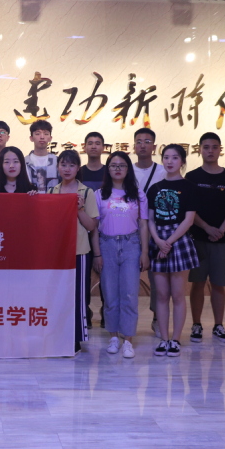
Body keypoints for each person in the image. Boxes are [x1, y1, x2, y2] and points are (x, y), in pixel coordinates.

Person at [90, 151, 149, 359]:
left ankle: (128, 340)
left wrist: (145, 252)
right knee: (110, 295)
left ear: (128, 169)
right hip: (106, 245)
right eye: (113, 165)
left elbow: (143, 224)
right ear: (108, 169)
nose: (117, 168)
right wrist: (97, 254)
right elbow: (94, 227)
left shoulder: (138, 194)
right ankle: (113, 337)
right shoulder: (99, 194)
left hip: (131, 245)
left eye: (122, 165)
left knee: (130, 295)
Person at [186, 132, 225, 344]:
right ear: (200, 149)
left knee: (218, 284)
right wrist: (206, 227)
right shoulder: (192, 177)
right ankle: (197, 325)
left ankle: (219, 325)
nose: (210, 151)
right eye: (206, 147)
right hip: (198, 238)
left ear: (220, 150)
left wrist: (220, 229)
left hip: (222, 240)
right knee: (198, 283)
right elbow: (189, 209)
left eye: (214, 147)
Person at [147, 144, 199, 358]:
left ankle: (176, 339)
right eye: (166, 157)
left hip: (179, 240)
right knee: (161, 295)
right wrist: (158, 241)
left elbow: (189, 219)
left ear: (182, 161)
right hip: (158, 240)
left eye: (175, 157)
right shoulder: (155, 188)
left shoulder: (189, 187)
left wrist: (168, 242)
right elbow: (150, 219)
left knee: (178, 295)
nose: (169, 161)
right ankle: (164, 339)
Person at [50, 150, 98, 354]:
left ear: (78, 168)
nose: (67, 169)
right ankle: (58, 335)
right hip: (58, 253)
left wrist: (79, 209)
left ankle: (76, 337)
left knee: (78, 297)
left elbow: (92, 226)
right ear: (58, 167)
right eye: (63, 164)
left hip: (80, 251)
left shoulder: (86, 192)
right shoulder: (52, 192)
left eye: (71, 165)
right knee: (58, 295)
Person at [132, 127, 167, 339]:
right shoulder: (127, 170)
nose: (142, 145)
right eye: (139, 141)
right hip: (130, 231)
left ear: (154, 146)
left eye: (147, 141)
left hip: (155, 231)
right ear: (134, 146)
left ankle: (157, 319)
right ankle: (127, 322)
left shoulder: (163, 171)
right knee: (129, 279)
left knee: (157, 280)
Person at [78, 131, 107, 329]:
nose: (94, 146)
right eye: (90, 143)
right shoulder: (78, 172)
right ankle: (85, 313)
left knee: (106, 276)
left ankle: (107, 312)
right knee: (84, 277)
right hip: (83, 230)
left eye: (98, 143)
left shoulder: (109, 172)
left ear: (103, 147)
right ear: (85, 147)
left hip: (106, 230)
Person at [25, 120, 59, 193]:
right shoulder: (24, 162)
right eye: (38, 134)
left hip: (53, 199)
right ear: (31, 138)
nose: (42, 137)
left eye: (46, 134)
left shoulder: (57, 161)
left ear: (50, 138)